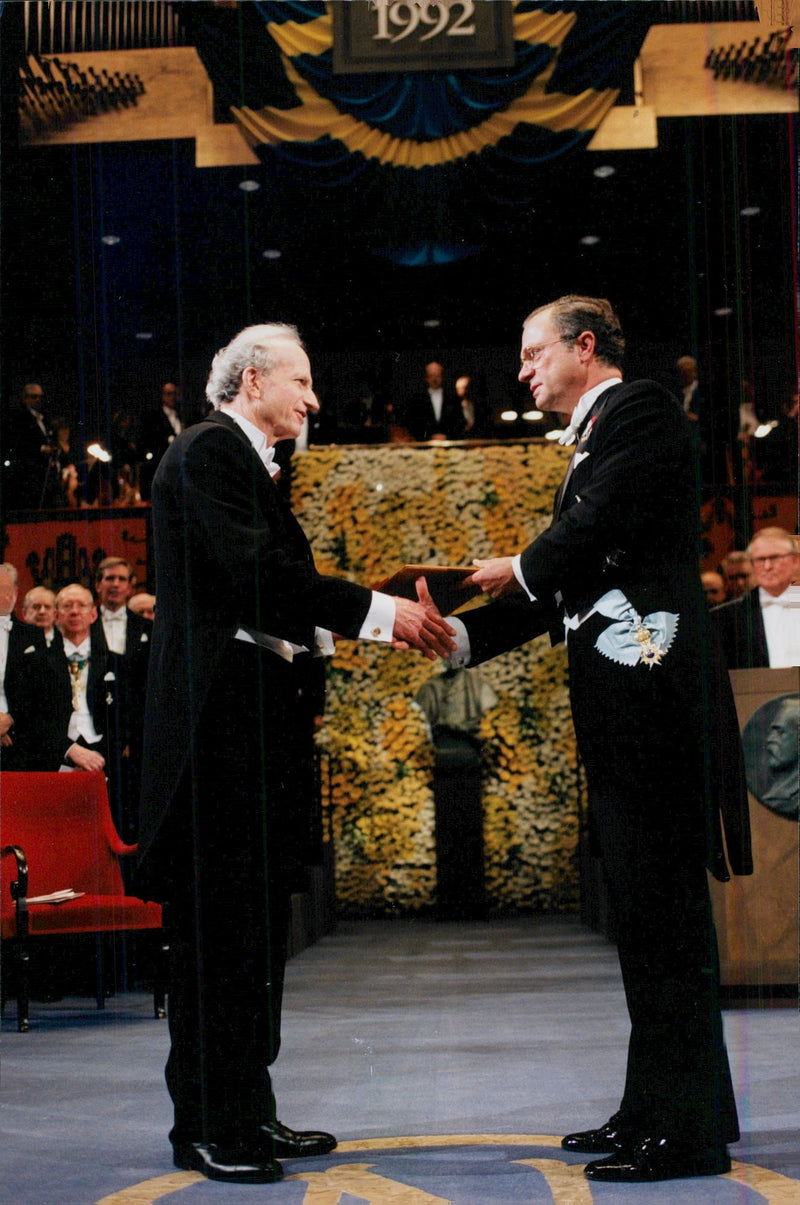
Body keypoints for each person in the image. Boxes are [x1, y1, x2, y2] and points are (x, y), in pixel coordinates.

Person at [427, 295, 751, 1183]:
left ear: (585, 346)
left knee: (663, 922)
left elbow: (579, 541)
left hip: (652, 717)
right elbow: (571, 585)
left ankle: (681, 1134)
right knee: (648, 924)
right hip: (630, 721)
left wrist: (518, 566)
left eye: (533, 353)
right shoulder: (598, 440)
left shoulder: (638, 409)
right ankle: (666, 1106)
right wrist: (459, 634)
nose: (523, 370)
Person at [137, 322, 454, 1185]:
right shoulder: (208, 455)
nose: (314, 400)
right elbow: (259, 582)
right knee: (217, 937)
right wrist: (386, 618)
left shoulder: (250, 466)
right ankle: (204, 1123)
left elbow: (277, 600)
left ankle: (248, 1109)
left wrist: (370, 615)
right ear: (250, 381)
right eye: (303, 382)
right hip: (216, 738)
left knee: (253, 932)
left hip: (254, 729)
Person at [712, 527, 800, 668]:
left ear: (795, 561)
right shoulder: (724, 618)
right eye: (760, 559)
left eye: (775, 557)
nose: (767, 566)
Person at [0, 563, 46, 769]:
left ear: (16, 593)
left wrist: (9, 720)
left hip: (19, 738)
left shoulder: (32, 636)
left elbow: (39, 691)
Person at [399, 361, 466, 442]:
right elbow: (412, 423)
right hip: (424, 447)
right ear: (426, 378)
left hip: (450, 445)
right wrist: (429, 437)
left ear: (442, 377)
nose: (435, 379)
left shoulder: (453, 398)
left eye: (438, 376)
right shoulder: (417, 399)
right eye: (431, 376)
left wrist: (447, 436)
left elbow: (460, 422)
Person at [138, 382, 184, 500]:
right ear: (163, 396)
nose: (172, 397)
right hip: (161, 467)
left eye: (175, 394)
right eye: (169, 394)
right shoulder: (153, 417)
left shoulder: (181, 416)